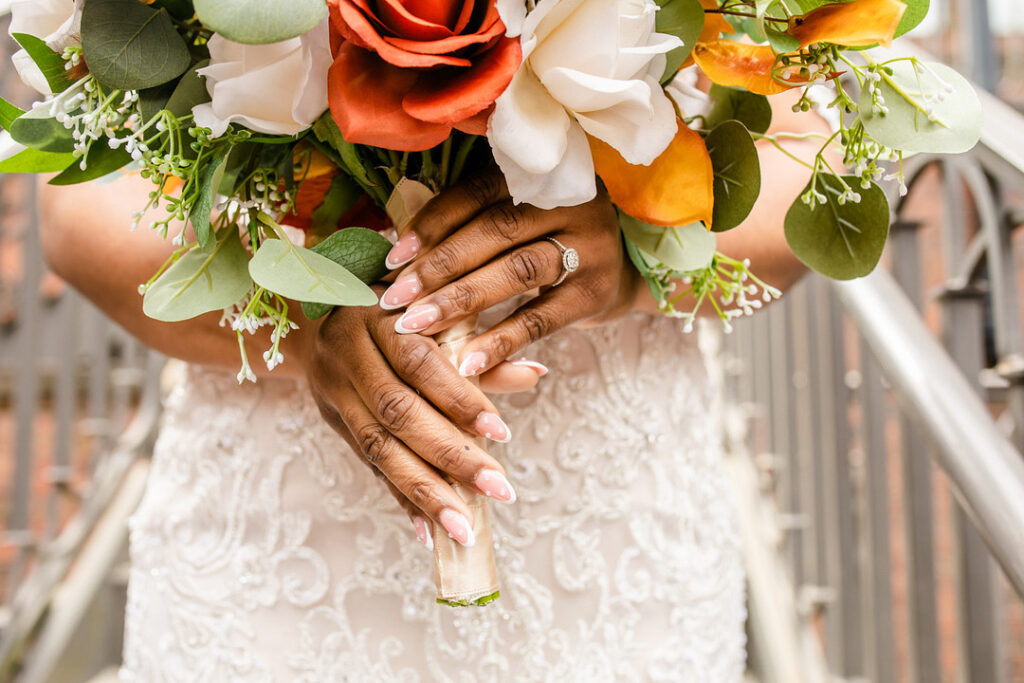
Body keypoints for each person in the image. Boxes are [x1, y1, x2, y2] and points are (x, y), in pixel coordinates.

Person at [39, 86, 822, 680]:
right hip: (273, 550)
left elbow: (807, 163)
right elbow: (80, 206)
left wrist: (631, 257)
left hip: (617, 536)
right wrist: (310, 312)